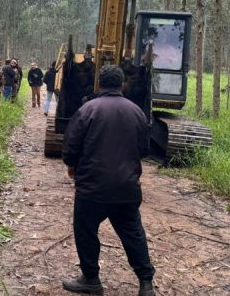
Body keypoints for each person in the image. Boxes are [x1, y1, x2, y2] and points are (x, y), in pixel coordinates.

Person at [61, 66, 155, 296]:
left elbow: (70, 148)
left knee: (85, 231)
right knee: (133, 233)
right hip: (126, 188)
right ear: (122, 85)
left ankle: (91, 279)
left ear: (99, 84)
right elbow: (144, 149)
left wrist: (73, 167)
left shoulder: (87, 110)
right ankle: (145, 283)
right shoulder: (136, 112)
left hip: (92, 188)